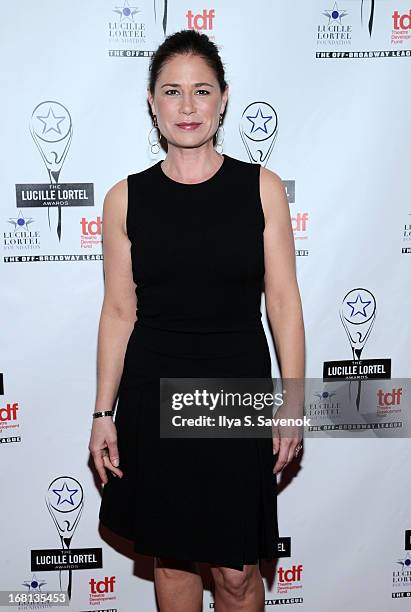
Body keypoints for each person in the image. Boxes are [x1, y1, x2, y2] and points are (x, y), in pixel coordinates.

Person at [88, 29, 305, 612]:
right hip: (153, 391)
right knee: (174, 561)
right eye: (173, 91)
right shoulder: (123, 199)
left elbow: (283, 300)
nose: (188, 107)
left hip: (236, 394)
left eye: (202, 91)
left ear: (224, 99)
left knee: (236, 575)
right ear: (153, 104)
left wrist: (291, 400)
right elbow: (118, 311)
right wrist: (103, 413)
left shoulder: (260, 188)